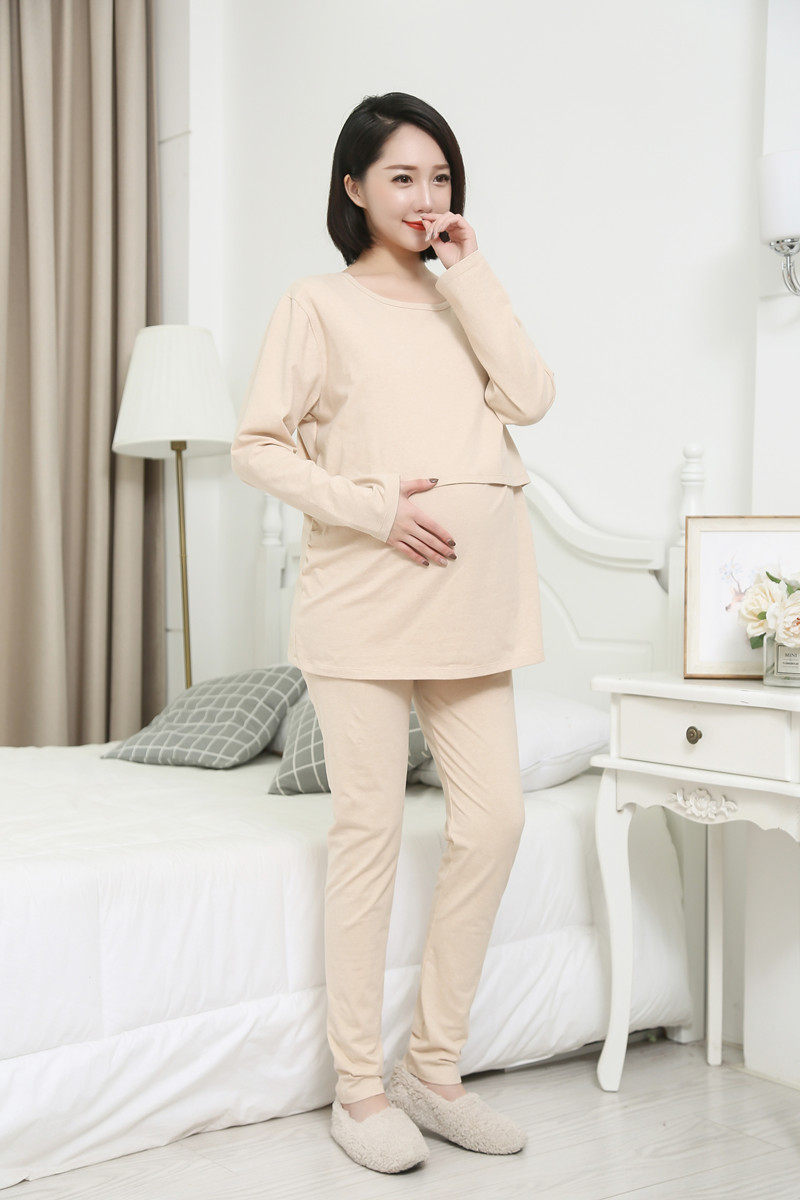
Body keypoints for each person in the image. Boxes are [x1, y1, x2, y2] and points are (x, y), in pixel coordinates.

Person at [231, 91, 556, 1174]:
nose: (425, 196)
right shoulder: (315, 303)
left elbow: (530, 397)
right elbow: (257, 446)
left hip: (473, 599)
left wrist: (471, 272)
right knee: (368, 833)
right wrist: (373, 508)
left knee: (495, 820)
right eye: (403, 177)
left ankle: (433, 1069)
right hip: (364, 595)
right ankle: (361, 1088)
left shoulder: (464, 295)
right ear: (354, 186)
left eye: (440, 177)